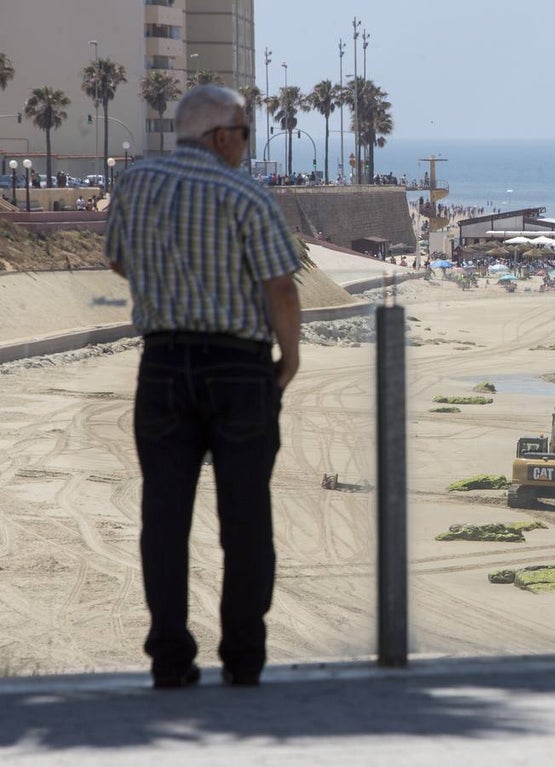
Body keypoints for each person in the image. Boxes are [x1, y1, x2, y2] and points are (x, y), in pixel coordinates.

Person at [105, 85, 301, 689]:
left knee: (163, 518)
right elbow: (281, 289)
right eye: (244, 133)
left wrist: (168, 277)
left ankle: (170, 657)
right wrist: (288, 359)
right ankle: (242, 658)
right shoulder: (244, 192)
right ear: (221, 137)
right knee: (245, 520)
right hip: (238, 368)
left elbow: (116, 258)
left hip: (162, 364)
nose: (247, 145)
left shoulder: (134, 183)